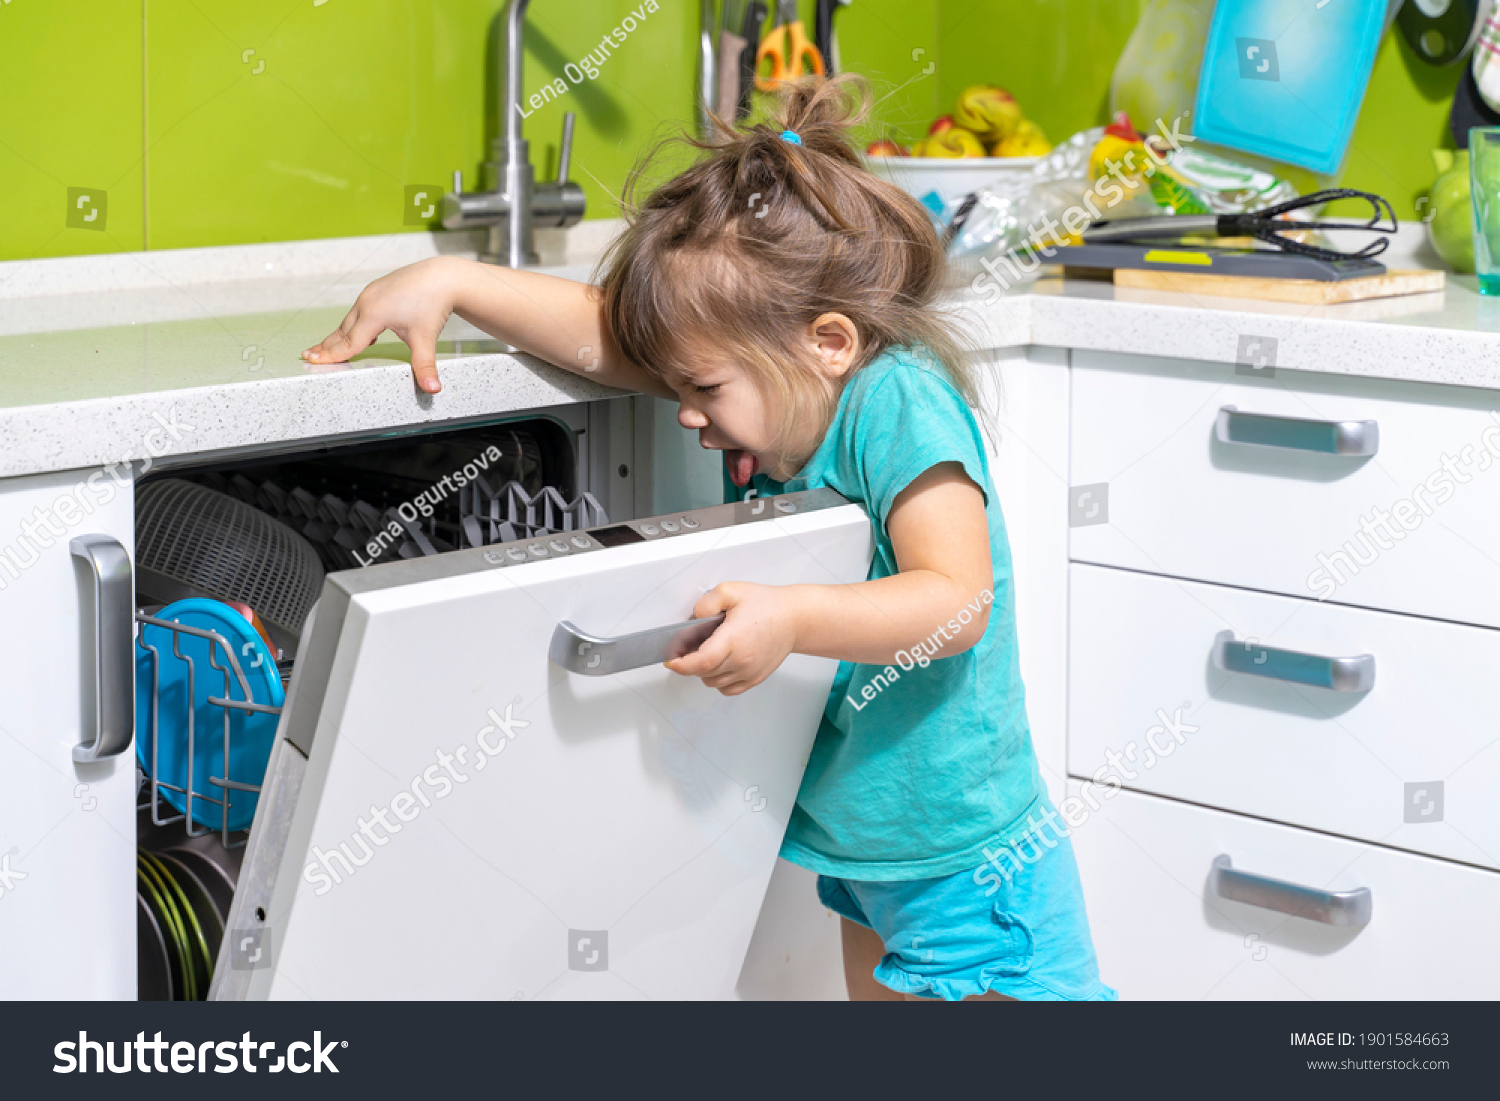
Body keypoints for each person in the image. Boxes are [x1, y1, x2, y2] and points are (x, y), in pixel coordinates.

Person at [304, 75, 1114, 1003]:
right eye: (679, 388)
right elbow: (605, 336)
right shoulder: (779, 373)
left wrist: (791, 617)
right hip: (870, 851)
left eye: (703, 390)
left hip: (970, 865)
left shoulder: (896, 401)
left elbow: (957, 598)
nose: (685, 414)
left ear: (831, 341)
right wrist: (450, 280)